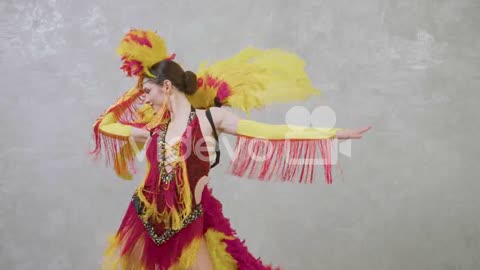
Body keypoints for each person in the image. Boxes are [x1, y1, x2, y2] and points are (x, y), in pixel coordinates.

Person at [91, 29, 371, 270]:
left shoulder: (211, 119)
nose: (146, 100)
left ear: (167, 86)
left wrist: (332, 134)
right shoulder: (154, 129)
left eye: (148, 92)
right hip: (145, 217)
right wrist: (138, 86)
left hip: (188, 223)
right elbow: (106, 124)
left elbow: (273, 133)